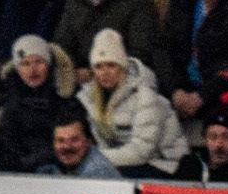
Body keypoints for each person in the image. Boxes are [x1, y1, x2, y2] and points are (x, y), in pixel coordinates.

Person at [76, 27, 190, 176]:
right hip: (126, 164)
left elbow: (142, 151)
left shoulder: (145, 95)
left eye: (111, 65)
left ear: (122, 67)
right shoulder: (89, 99)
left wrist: (96, 158)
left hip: (166, 165)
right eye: (99, 66)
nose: (105, 72)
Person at [0, 33, 76, 171]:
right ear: (18, 69)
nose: (33, 70)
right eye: (25, 64)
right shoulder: (12, 102)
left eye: (38, 62)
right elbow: (5, 143)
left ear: (48, 65)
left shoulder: (65, 100)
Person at [38, 103, 121, 177]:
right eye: (61, 141)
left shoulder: (98, 172)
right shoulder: (49, 165)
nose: (67, 147)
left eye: (74, 140)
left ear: (89, 142)